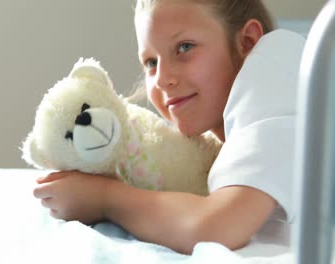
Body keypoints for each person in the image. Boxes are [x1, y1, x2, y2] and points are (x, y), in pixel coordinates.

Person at [33, 0, 306, 255]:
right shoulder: (225, 147)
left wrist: (105, 197)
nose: (162, 79)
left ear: (247, 42)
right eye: (151, 63)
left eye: (184, 47)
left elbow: (215, 227)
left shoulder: (276, 67)